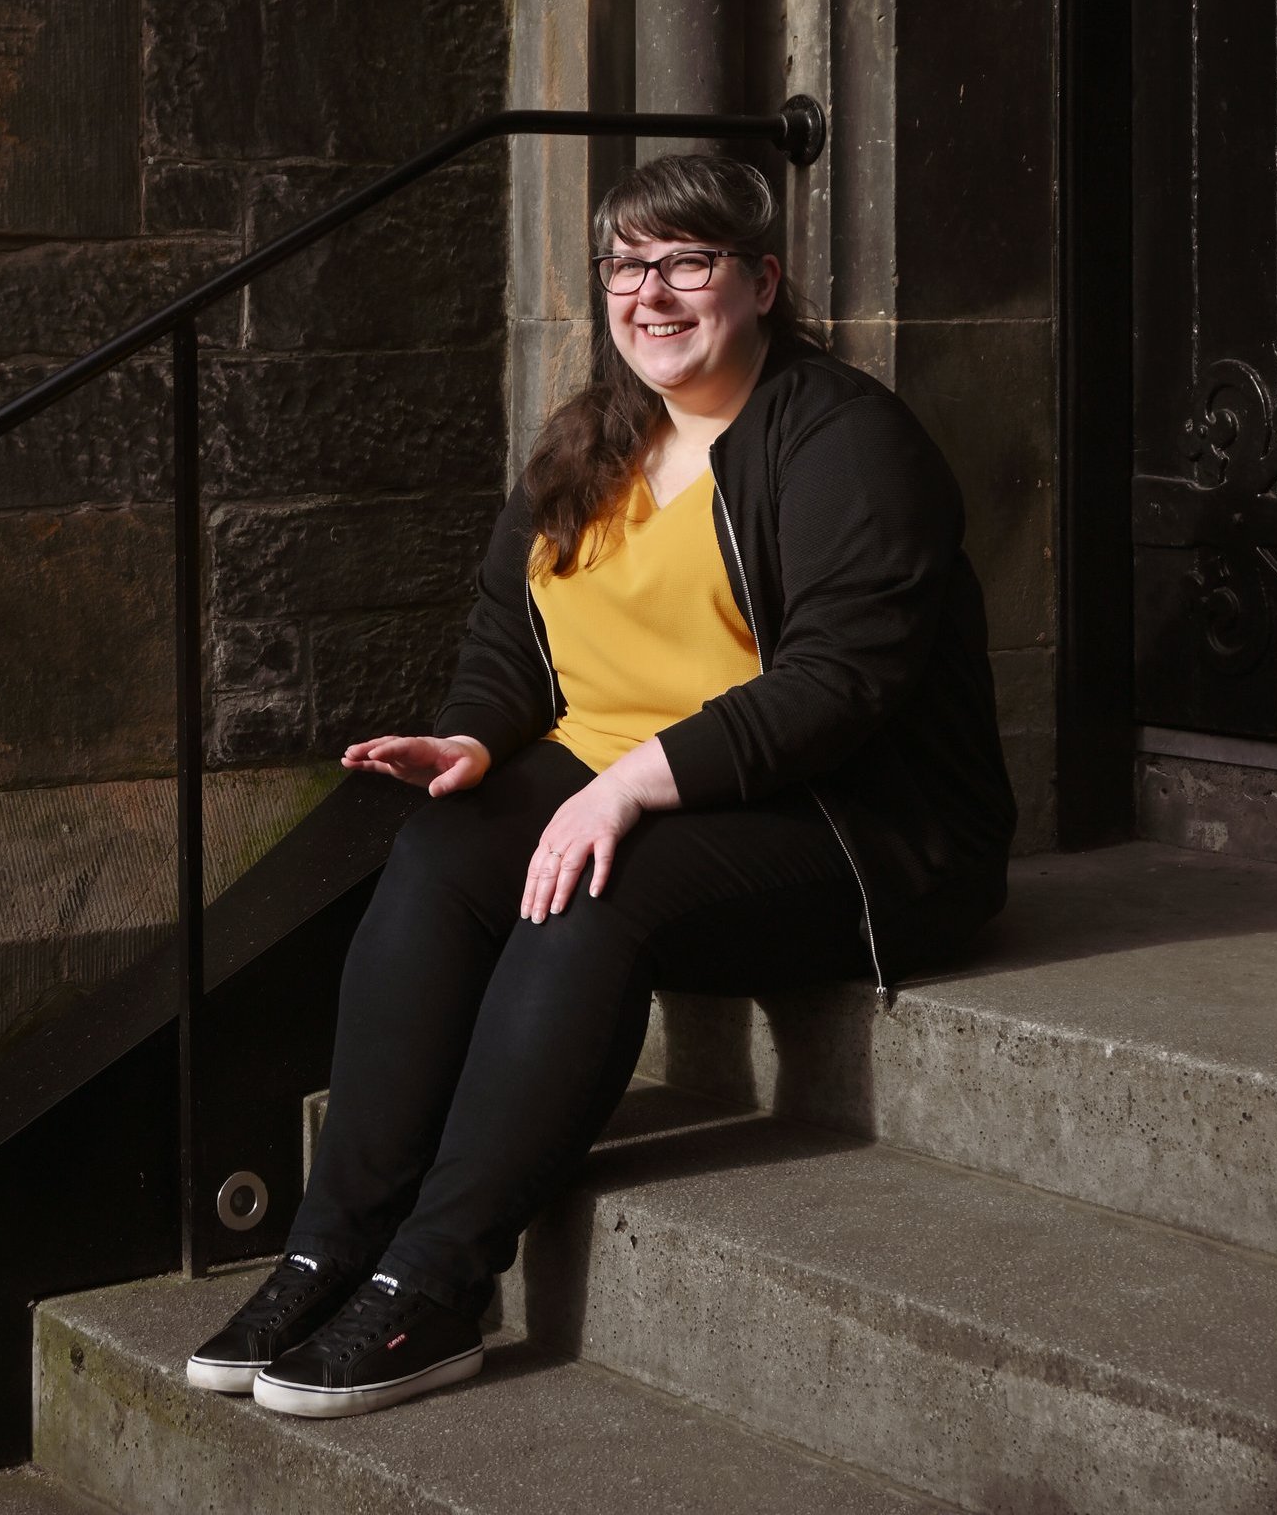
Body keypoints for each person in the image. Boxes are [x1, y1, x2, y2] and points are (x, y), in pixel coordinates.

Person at [187, 152, 1016, 1419]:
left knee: (592, 892)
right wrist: (472, 740)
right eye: (628, 265)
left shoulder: (847, 439)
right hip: (634, 775)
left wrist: (629, 787)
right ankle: (326, 1247)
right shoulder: (596, 436)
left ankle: (437, 1281)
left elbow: (842, 682)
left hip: (858, 824)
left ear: (763, 282)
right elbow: (506, 632)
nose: (653, 292)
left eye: (689, 261)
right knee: (441, 848)